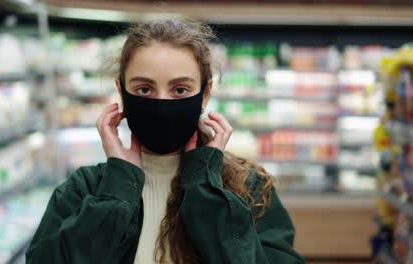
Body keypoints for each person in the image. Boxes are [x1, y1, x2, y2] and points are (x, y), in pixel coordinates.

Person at [25, 19, 304, 264]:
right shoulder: (83, 191)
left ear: (205, 94)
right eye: (144, 89)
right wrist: (118, 189)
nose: (161, 104)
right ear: (121, 91)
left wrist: (204, 187)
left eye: (180, 89)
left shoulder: (250, 190)